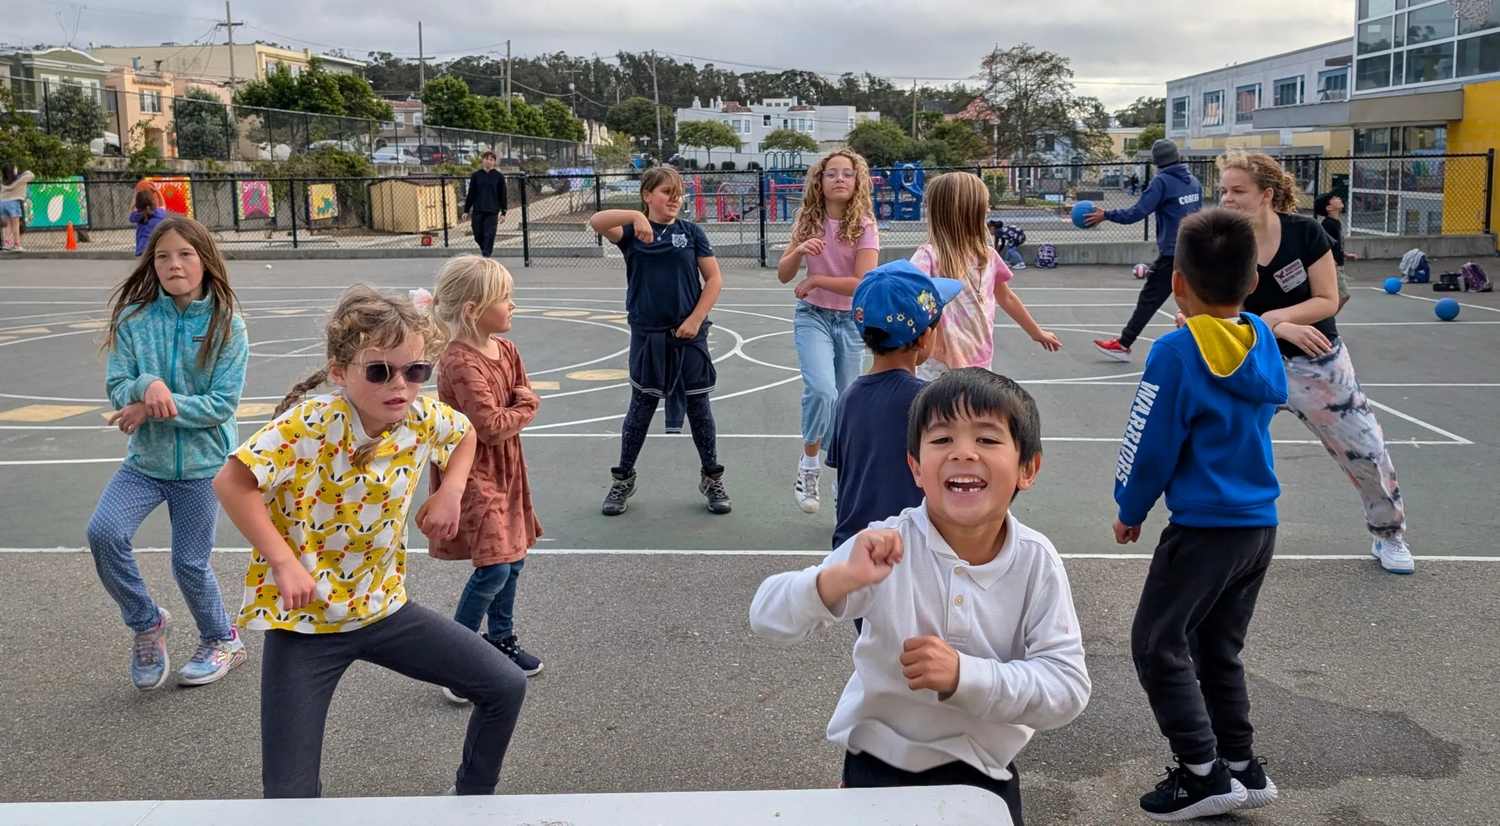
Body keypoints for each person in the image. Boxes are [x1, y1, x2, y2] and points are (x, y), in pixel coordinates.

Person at [213, 286, 527, 798]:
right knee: (288, 797)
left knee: (504, 685)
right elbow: (232, 481)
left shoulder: (422, 418)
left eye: (416, 371)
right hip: (306, 626)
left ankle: (470, 803)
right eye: (380, 371)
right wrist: (284, 562)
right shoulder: (309, 425)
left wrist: (451, 490)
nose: (400, 385)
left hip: (383, 610)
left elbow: (465, 433)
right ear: (340, 371)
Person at [750, 369, 1091, 826]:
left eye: (987, 440)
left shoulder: (1036, 561)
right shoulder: (884, 544)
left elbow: (1067, 688)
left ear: (1027, 468)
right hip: (874, 765)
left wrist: (964, 676)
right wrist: (836, 580)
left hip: (983, 772)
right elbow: (766, 617)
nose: (963, 452)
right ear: (915, 467)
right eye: (942, 439)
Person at [1112, 208, 1287, 821]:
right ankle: (1240, 763)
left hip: (1205, 529)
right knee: (1217, 646)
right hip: (1257, 527)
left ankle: (1201, 773)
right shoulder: (1261, 337)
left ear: (1178, 284)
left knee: (1157, 644)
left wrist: (1129, 507)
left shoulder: (1176, 352)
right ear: (1251, 280)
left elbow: (1151, 439)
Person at [1219, 152, 1412, 574]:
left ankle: (1388, 534)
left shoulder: (1305, 233)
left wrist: (1276, 319)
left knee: (1365, 450)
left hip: (1319, 364)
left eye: (1238, 191)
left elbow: (1328, 299)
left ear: (1267, 194)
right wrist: (1275, 327)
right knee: (1220, 449)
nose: (1227, 199)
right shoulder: (1224, 240)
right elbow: (1221, 311)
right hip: (1253, 360)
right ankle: (1221, 540)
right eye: (1223, 190)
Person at [87, 216, 249, 690]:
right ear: (151, 264)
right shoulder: (134, 320)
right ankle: (145, 622)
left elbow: (221, 405)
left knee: (189, 564)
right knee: (104, 533)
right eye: (162, 256)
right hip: (146, 464)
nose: (173, 264)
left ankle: (223, 640)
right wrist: (146, 385)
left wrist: (154, 405)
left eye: (185, 254)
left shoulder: (227, 325)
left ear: (205, 261)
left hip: (203, 467)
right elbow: (117, 384)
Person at [426, 257, 545, 699]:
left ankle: (500, 639)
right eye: (505, 299)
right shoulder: (459, 361)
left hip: (507, 468)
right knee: (494, 564)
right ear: (475, 309)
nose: (513, 305)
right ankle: (455, 660)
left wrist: (518, 406)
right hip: (472, 471)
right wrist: (528, 407)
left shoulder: (506, 350)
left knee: (512, 558)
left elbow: (517, 393)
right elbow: (492, 424)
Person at [588, 166, 730, 516]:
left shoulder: (691, 232)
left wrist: (694, 320)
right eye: (667, 191)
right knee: (641, 407)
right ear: (648, 195)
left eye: (678, 192)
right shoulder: (632, 234)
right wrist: (636, 216)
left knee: (700, 408)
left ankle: (712, 476)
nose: (675, 198)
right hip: (648, 335)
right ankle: (623, 478)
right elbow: (597, 220)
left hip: (689, 337)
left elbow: (713, 280)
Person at [825, 260, 959, 550]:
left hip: (852, 551)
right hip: (903, 551)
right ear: (924, 337)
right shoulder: (929, 404)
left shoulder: (848, 398)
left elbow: (846, 477)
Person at [777, 148, 879, 514]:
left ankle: (843, 478)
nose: (839, 178)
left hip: (850, 321)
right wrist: (798, 250)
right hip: (813, 316)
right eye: (831, 173)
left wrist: (818, 277)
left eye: (847, 174)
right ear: (819, 182)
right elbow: (785, 274)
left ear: (857, 181)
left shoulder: (864, 224)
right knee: (821, 390)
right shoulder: (807, 219)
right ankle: (808, 466)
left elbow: (862, 283)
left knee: (845, 402)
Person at [910, 171, 1061, 380]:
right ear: (967, 211)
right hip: (939, 363)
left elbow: (1006, 297)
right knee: (940, 412)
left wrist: (1035, 332)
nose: (988, 210)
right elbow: (907, 294)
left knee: (973, 411)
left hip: (979, 357)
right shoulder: (929, 256)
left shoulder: (987, 256)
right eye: (984, 205)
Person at [1086, 139, 1204, 361]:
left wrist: (1106, 214)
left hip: (1174, 254)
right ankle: (1207, 343)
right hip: (1198, 251)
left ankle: (1123, 344)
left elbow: (1136, 213)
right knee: (1198, 300)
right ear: (1178, 156)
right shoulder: (1194, 182)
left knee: (1150, 298)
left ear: (1157, 162)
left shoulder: (1162, 182)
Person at [1313, 192, 1357, 311]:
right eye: (1334, 198)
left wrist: (1346, 255)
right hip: (1332, 266)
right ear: (1329, 208)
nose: (1339, 198)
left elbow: (1335, 245)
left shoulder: (1336, 223)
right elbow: (1324, 246)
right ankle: (1325, 321)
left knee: (1340, 296)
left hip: (1337, 265)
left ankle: (1325, 320)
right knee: (1343, 296)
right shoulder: (1328, 224)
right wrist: (1332, 262)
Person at [462, 151, 509, 258]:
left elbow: (503, 195)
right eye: (487, 159)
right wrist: (466, 210)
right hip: (478, 210)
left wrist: (503, 212)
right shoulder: (476, 176)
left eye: (491, 160)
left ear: (494, 162)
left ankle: (486, 256)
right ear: (483, 160)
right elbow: (471, 194)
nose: (489, 161)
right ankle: (485, 251)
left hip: (492, 211)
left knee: (489, 234)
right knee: (478, 235)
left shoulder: (499, 177)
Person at [0, 164, 33, 252]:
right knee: (16, 225)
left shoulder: (3, 180)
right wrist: (20, 172)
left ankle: (7, 244)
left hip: (2, 202)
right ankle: (17, 245)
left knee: (8, 225)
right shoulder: (20, 179)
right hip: (13, 202)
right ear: (13, 170)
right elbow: (31, 175)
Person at [129, 187, 169, 257]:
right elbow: (163, 205)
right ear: (153, 202)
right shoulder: (160, 214)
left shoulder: (137, 216)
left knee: (145, 265)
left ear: (138, 205)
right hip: (156, 247)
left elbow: (131, 214)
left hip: (142, 249)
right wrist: (157, 192)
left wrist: (134, 202)